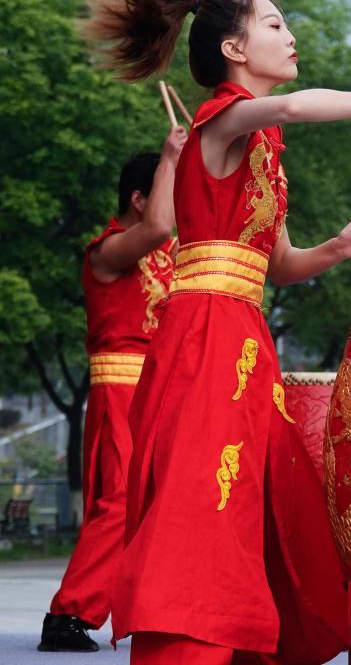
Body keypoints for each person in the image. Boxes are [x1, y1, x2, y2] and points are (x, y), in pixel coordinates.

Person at [80, 0, 351, 663]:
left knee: (260, 497)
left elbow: (278, 263)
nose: (290, 35)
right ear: (235, 48)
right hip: (205, 334)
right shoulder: (222, 119)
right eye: (275, 23)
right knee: (203, 496)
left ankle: (244, 642)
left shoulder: (261, 143)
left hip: (243, 335)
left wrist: (338, 247)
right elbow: (300, 104)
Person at [39, 128, 185, 653]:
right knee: (121, 500)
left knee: (168, 503)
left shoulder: (172, 251)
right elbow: (161, 224)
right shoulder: (107, 250)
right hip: (122, 388)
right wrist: (171, 154)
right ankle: (69, 612)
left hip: (165, 388)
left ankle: (151, 607)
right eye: (169, 186)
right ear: (139, 199)